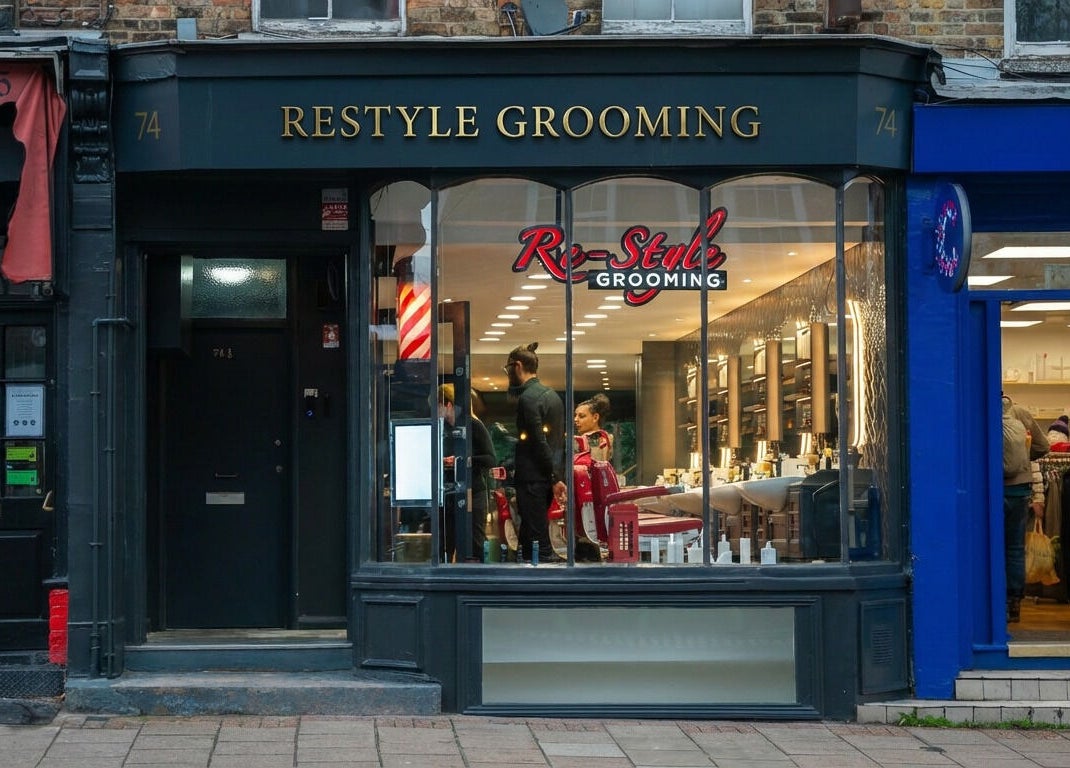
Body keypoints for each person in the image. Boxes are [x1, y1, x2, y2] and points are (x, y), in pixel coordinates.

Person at [504, 342, 565, 563]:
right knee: (533, 534)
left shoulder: (528, 399)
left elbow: (538, 442)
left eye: (508, 368)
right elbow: (557, 442)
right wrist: (556, 475)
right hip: (545, 475)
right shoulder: (552, 396)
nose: (508, 373)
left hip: (532, 476)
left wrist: (553, 476)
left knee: (536, 538)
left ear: (517, 366)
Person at [1003, 395, 1050, 622]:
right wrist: (1022, 460)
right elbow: (1044, 446)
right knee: (1014, 549)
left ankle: (991, 601)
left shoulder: (982, 412)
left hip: (992, 491)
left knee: (987, 547)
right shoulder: (1021, 413)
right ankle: (1014, 602)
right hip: (1019, 491)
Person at [437, 384, 497, 562]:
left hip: (473, 492)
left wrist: (463, 460)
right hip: (448, 493)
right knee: (445, 541)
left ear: (447, 405)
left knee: (474, 541)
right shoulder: (443, 430)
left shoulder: (473, 425)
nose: (435, 411)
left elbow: (490, 459)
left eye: (437, 406)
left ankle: (478, 578)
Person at [574, 393, 613, 462]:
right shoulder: (606, 437)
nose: (575, 419)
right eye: (575, 415)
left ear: (595, 417)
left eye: (581, 416)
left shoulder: (601, 438)